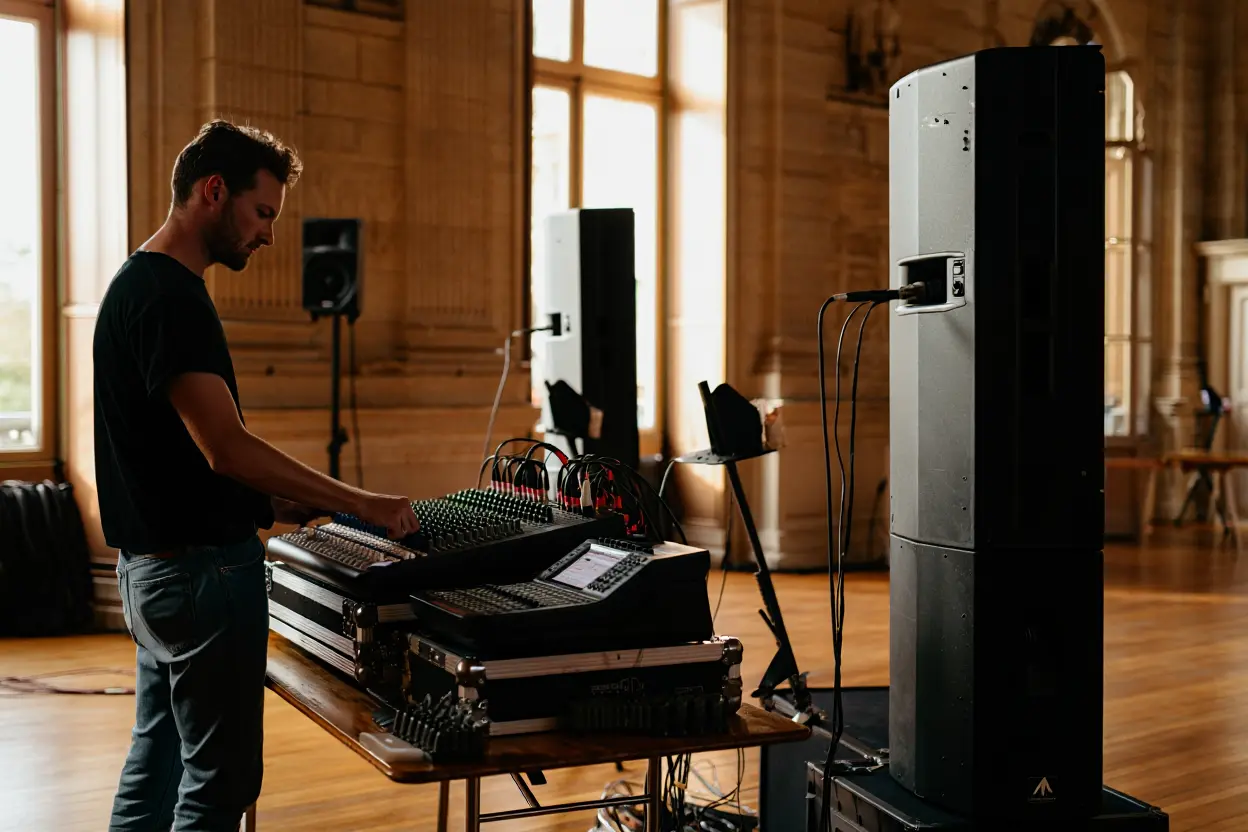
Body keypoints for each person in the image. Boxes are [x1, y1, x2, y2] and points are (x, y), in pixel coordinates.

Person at [95, 119, 420, 831]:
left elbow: (172, 458)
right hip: (201, 579)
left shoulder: (134, 282)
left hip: (151, 573)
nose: (269, 234)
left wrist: (281, 501)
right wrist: (360, 500)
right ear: (215, 192)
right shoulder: (173, 297)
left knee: (158, 766)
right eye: (262, 212)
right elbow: (226, 448)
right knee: (219, 786)